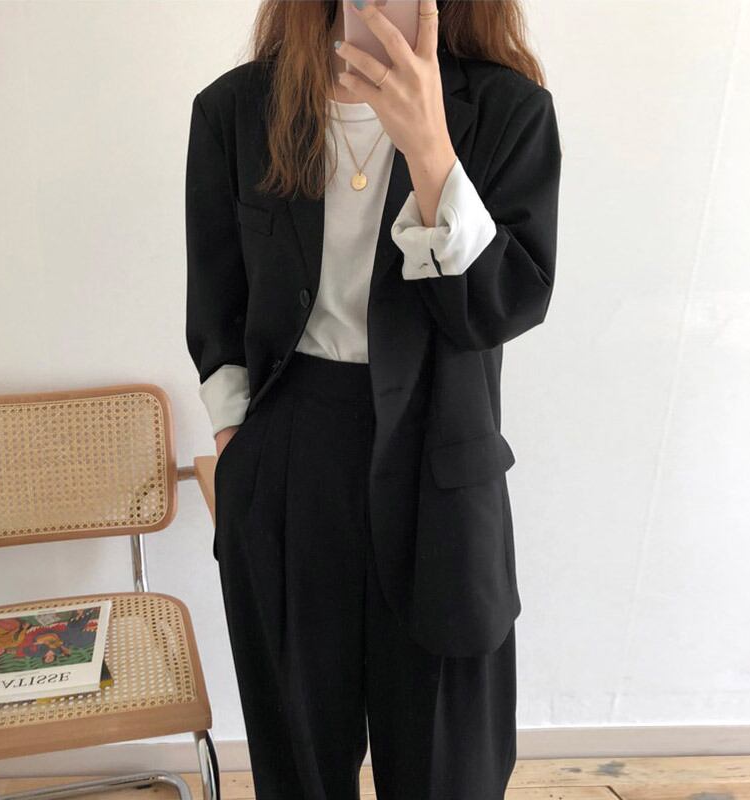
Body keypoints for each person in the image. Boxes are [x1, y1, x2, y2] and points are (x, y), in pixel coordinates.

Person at [185, 0, 561, 797]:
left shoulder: (507, 110)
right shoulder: (237, 110)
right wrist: (236, 449)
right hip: (290, 456)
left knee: (449, 765)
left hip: (443, 459)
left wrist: (430, 150)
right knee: (299, 759)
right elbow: (217, 306)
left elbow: (501, 308)